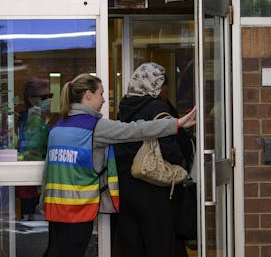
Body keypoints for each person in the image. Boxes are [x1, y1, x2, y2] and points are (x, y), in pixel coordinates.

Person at [40, 73, 197, 257]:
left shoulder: (58, 126)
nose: (104, 100)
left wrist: (44, 202)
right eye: (100, 94)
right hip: (79, 211)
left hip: (56, 209)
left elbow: (47, 172)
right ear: (88, 95)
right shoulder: (94, 126)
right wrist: (176, 124)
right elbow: (136, 130)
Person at [114, 62, 194, 257]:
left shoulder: (124, 106)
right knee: (158, 242)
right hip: (152, 187)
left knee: (133, 244)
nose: (167, 89)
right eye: (165, 84)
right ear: (157, 85)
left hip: (125, 185)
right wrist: (181, 164)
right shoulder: (157, 107)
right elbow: (168, 147)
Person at [16, 77, 52, 221]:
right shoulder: (33, 119)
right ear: (31, 99)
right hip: (31, 177)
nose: (48, 100)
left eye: (50, 96)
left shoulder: (38, 118)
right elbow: (32, 148)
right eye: (44, 97)